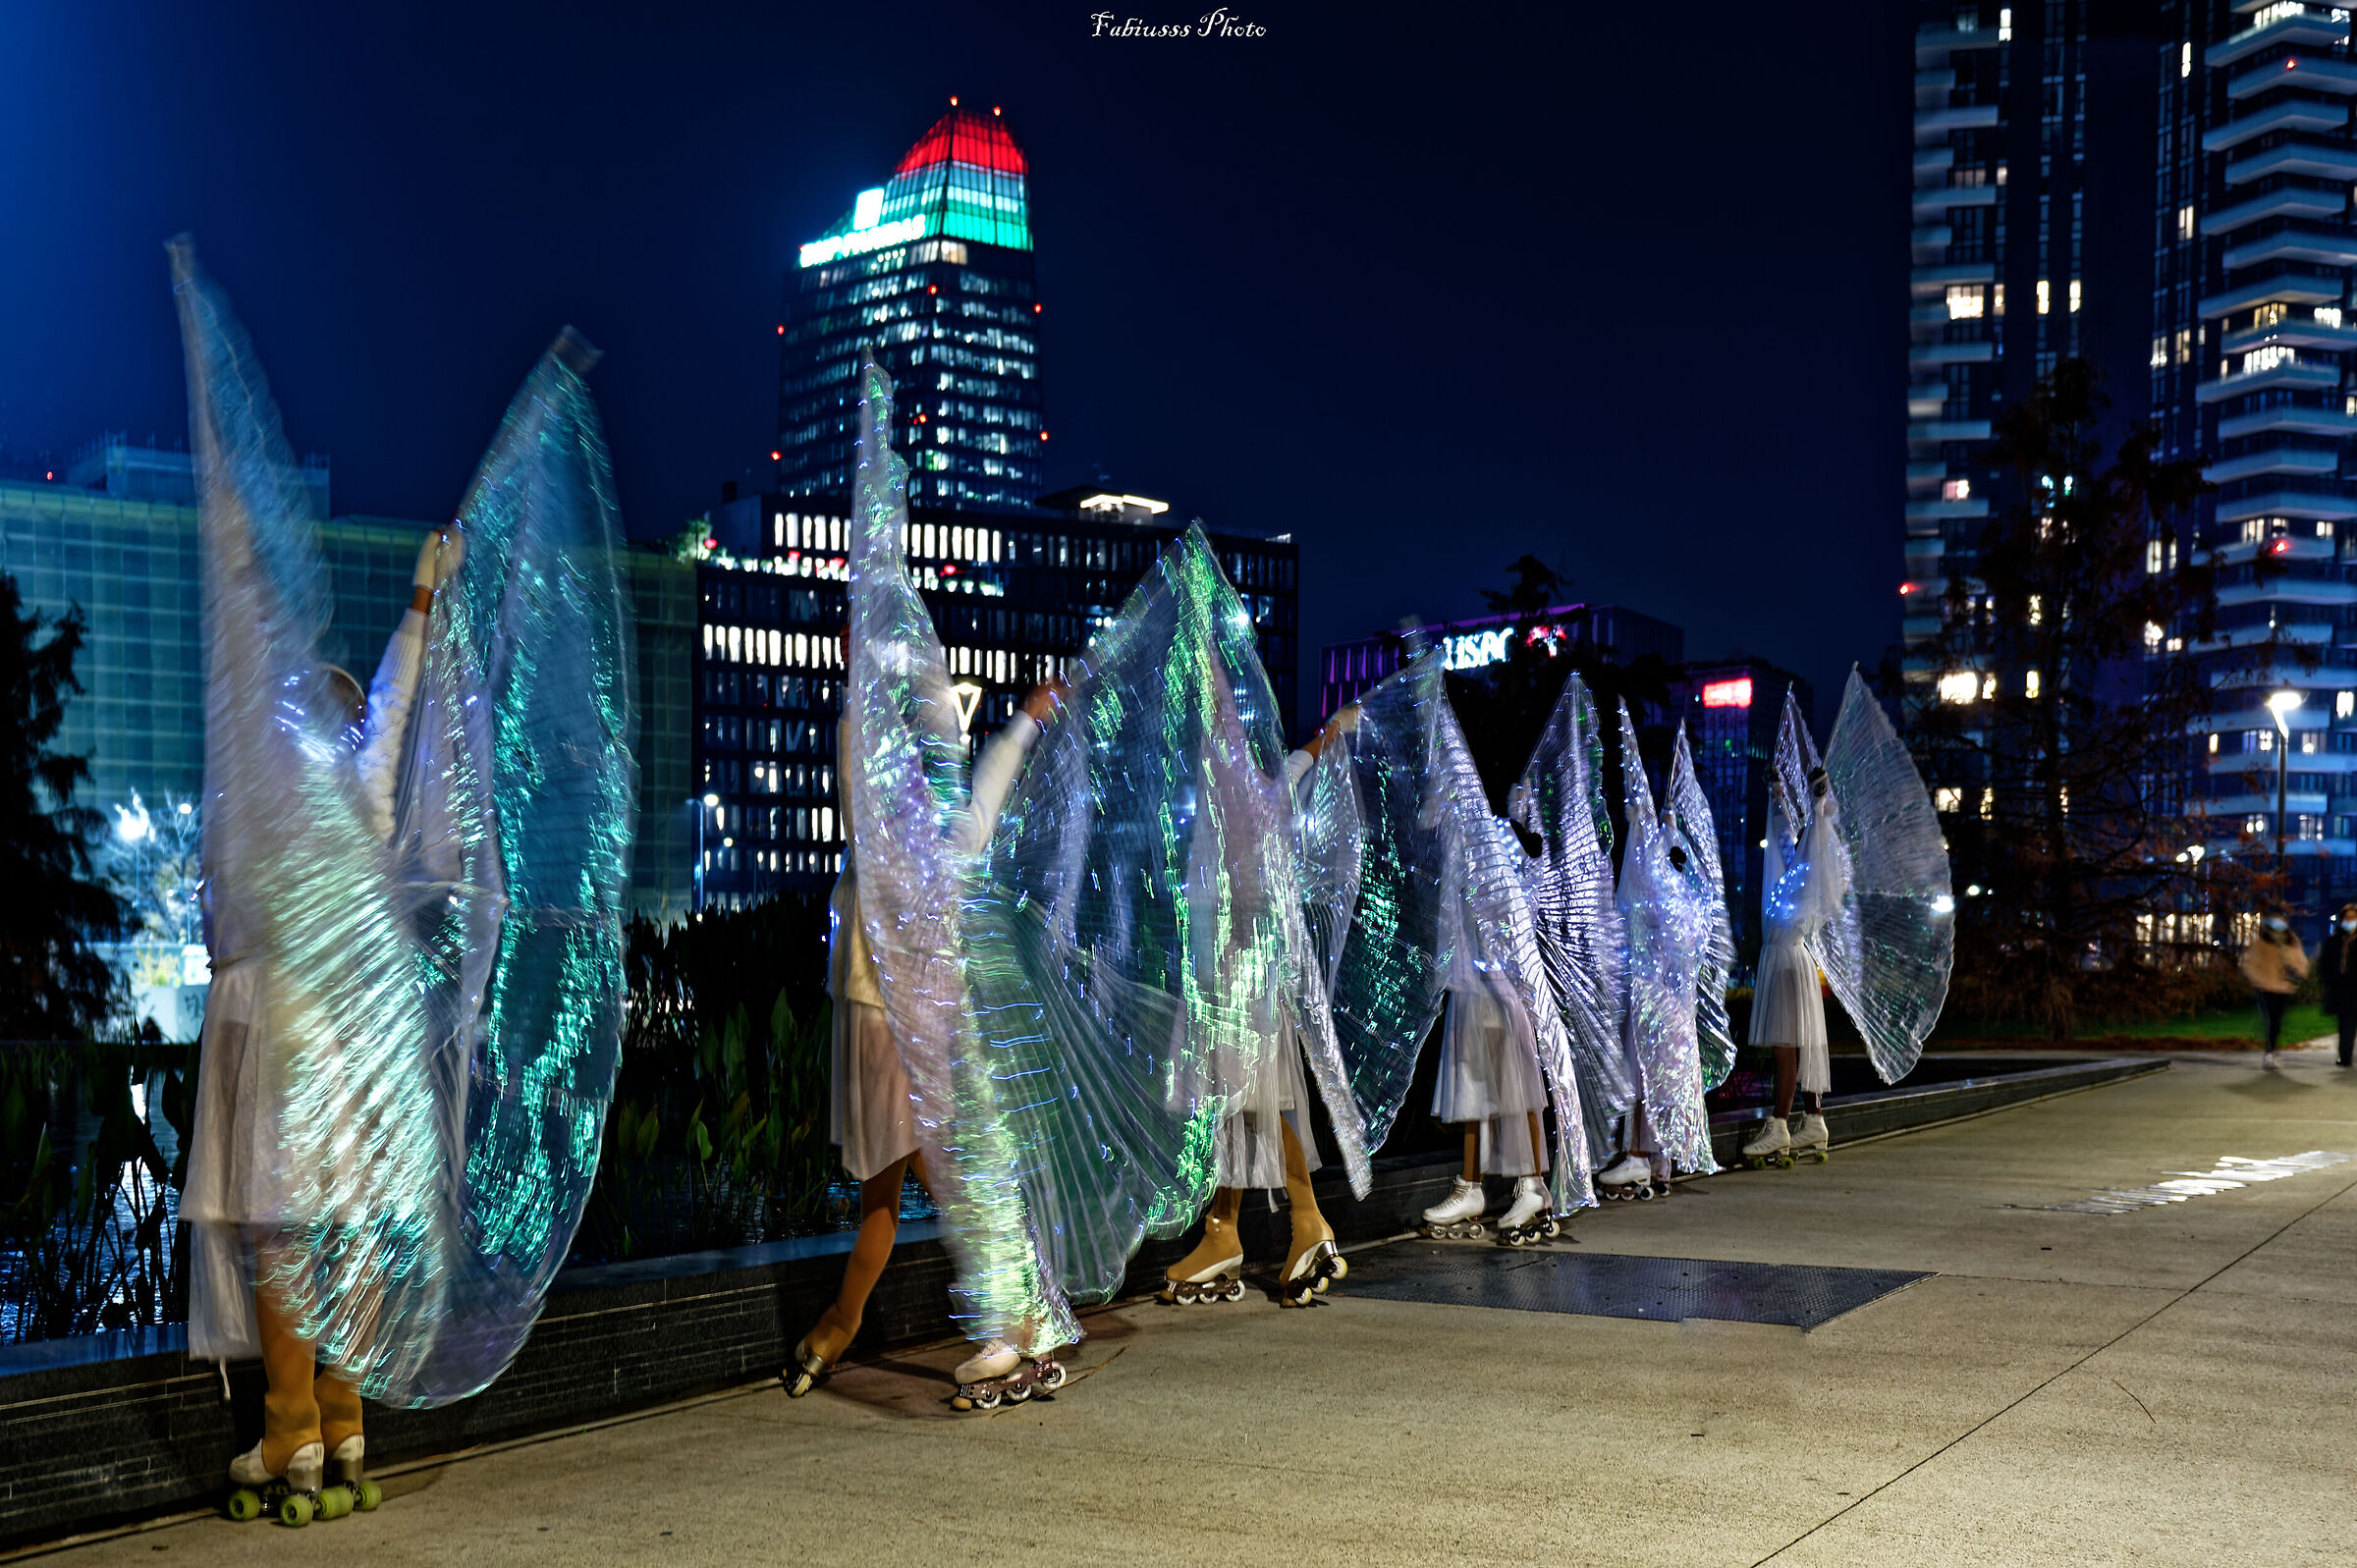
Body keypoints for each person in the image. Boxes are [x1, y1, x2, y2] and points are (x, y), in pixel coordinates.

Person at [187, 526, 455, 1518]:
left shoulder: (257, 799)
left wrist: (245, 571)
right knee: (344, 1226)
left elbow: (261, 676)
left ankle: (291, 1424)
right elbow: (391, 709)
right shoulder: (356, 793)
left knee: (284, 1234)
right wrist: (421, 603)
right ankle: (342, 1416)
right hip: (351, 1031)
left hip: (278, 1025)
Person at [785, 677, 1064, 1405]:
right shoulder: (937, 833)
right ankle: (844, 1324)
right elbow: (988, 787)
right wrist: (1028, 721)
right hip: (918, 1027)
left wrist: (856, 690)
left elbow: (861, 768)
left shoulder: (889, 836)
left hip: (889, 1027)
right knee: (900, 1185)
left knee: (926, 1179)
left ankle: (1009, 1322)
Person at [1160, 707, 1358, 1306]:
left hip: (1237, 980)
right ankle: (1225, 1232)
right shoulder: (1260, 797)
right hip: (1245, 977)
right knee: (1239, 1109)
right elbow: (1300, 762)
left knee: (1250, 1105)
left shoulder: (1245, 809)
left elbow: (1246, 896)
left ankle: (1306, 1216)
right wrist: (1329, 733)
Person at [1741, 767, 1846, 1166]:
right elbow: (1786, 838)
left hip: (1787, 963)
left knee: (1786, 1050)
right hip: (1787, 961)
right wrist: (1777, 795)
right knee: (1795, 1046)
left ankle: (1780, 1124)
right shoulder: (1796, 874)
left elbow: (1808, 836)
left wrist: (1818, 799)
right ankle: (1813, 1119)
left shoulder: (1809, 874)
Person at [2240, 911, 2310, 1070]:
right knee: (2270, 1019)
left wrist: (2298, 974)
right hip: (2265, 987)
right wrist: (2258, 979)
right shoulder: (2261, 942)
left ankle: (2272, 1049)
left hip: (2284, 987)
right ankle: (2270, 1052)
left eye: (2282, 920)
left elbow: (2301, 962)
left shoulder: (2291, 941)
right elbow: (2249, 963)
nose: (2279, 923)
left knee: (2276, 1021)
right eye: (2276, 920)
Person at [2321, 905, 2357, 1069]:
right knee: (2344, 1022)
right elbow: (2325, 963)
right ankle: (2344, 1055)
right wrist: (2329, 979)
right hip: (2340, 987)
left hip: (2355, 987)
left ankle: (2345, 1056)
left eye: (2353, 918)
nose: (2350, 921)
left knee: (2350, 1021)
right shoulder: (2335, 940)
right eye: (2347, 918)